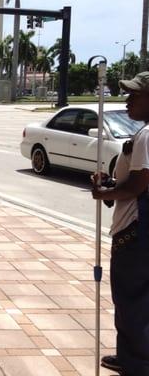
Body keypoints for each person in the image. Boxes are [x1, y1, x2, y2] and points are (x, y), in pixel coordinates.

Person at [91, 71, 149, 375]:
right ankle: (131, 356)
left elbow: (139, 185)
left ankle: (136, 363)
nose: (127, 101)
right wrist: (113, 185)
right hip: (140, 228)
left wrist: (105, 192)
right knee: (135, 300)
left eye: (135, 95)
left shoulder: (147, 135)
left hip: (136, 231)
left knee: (131, 299)